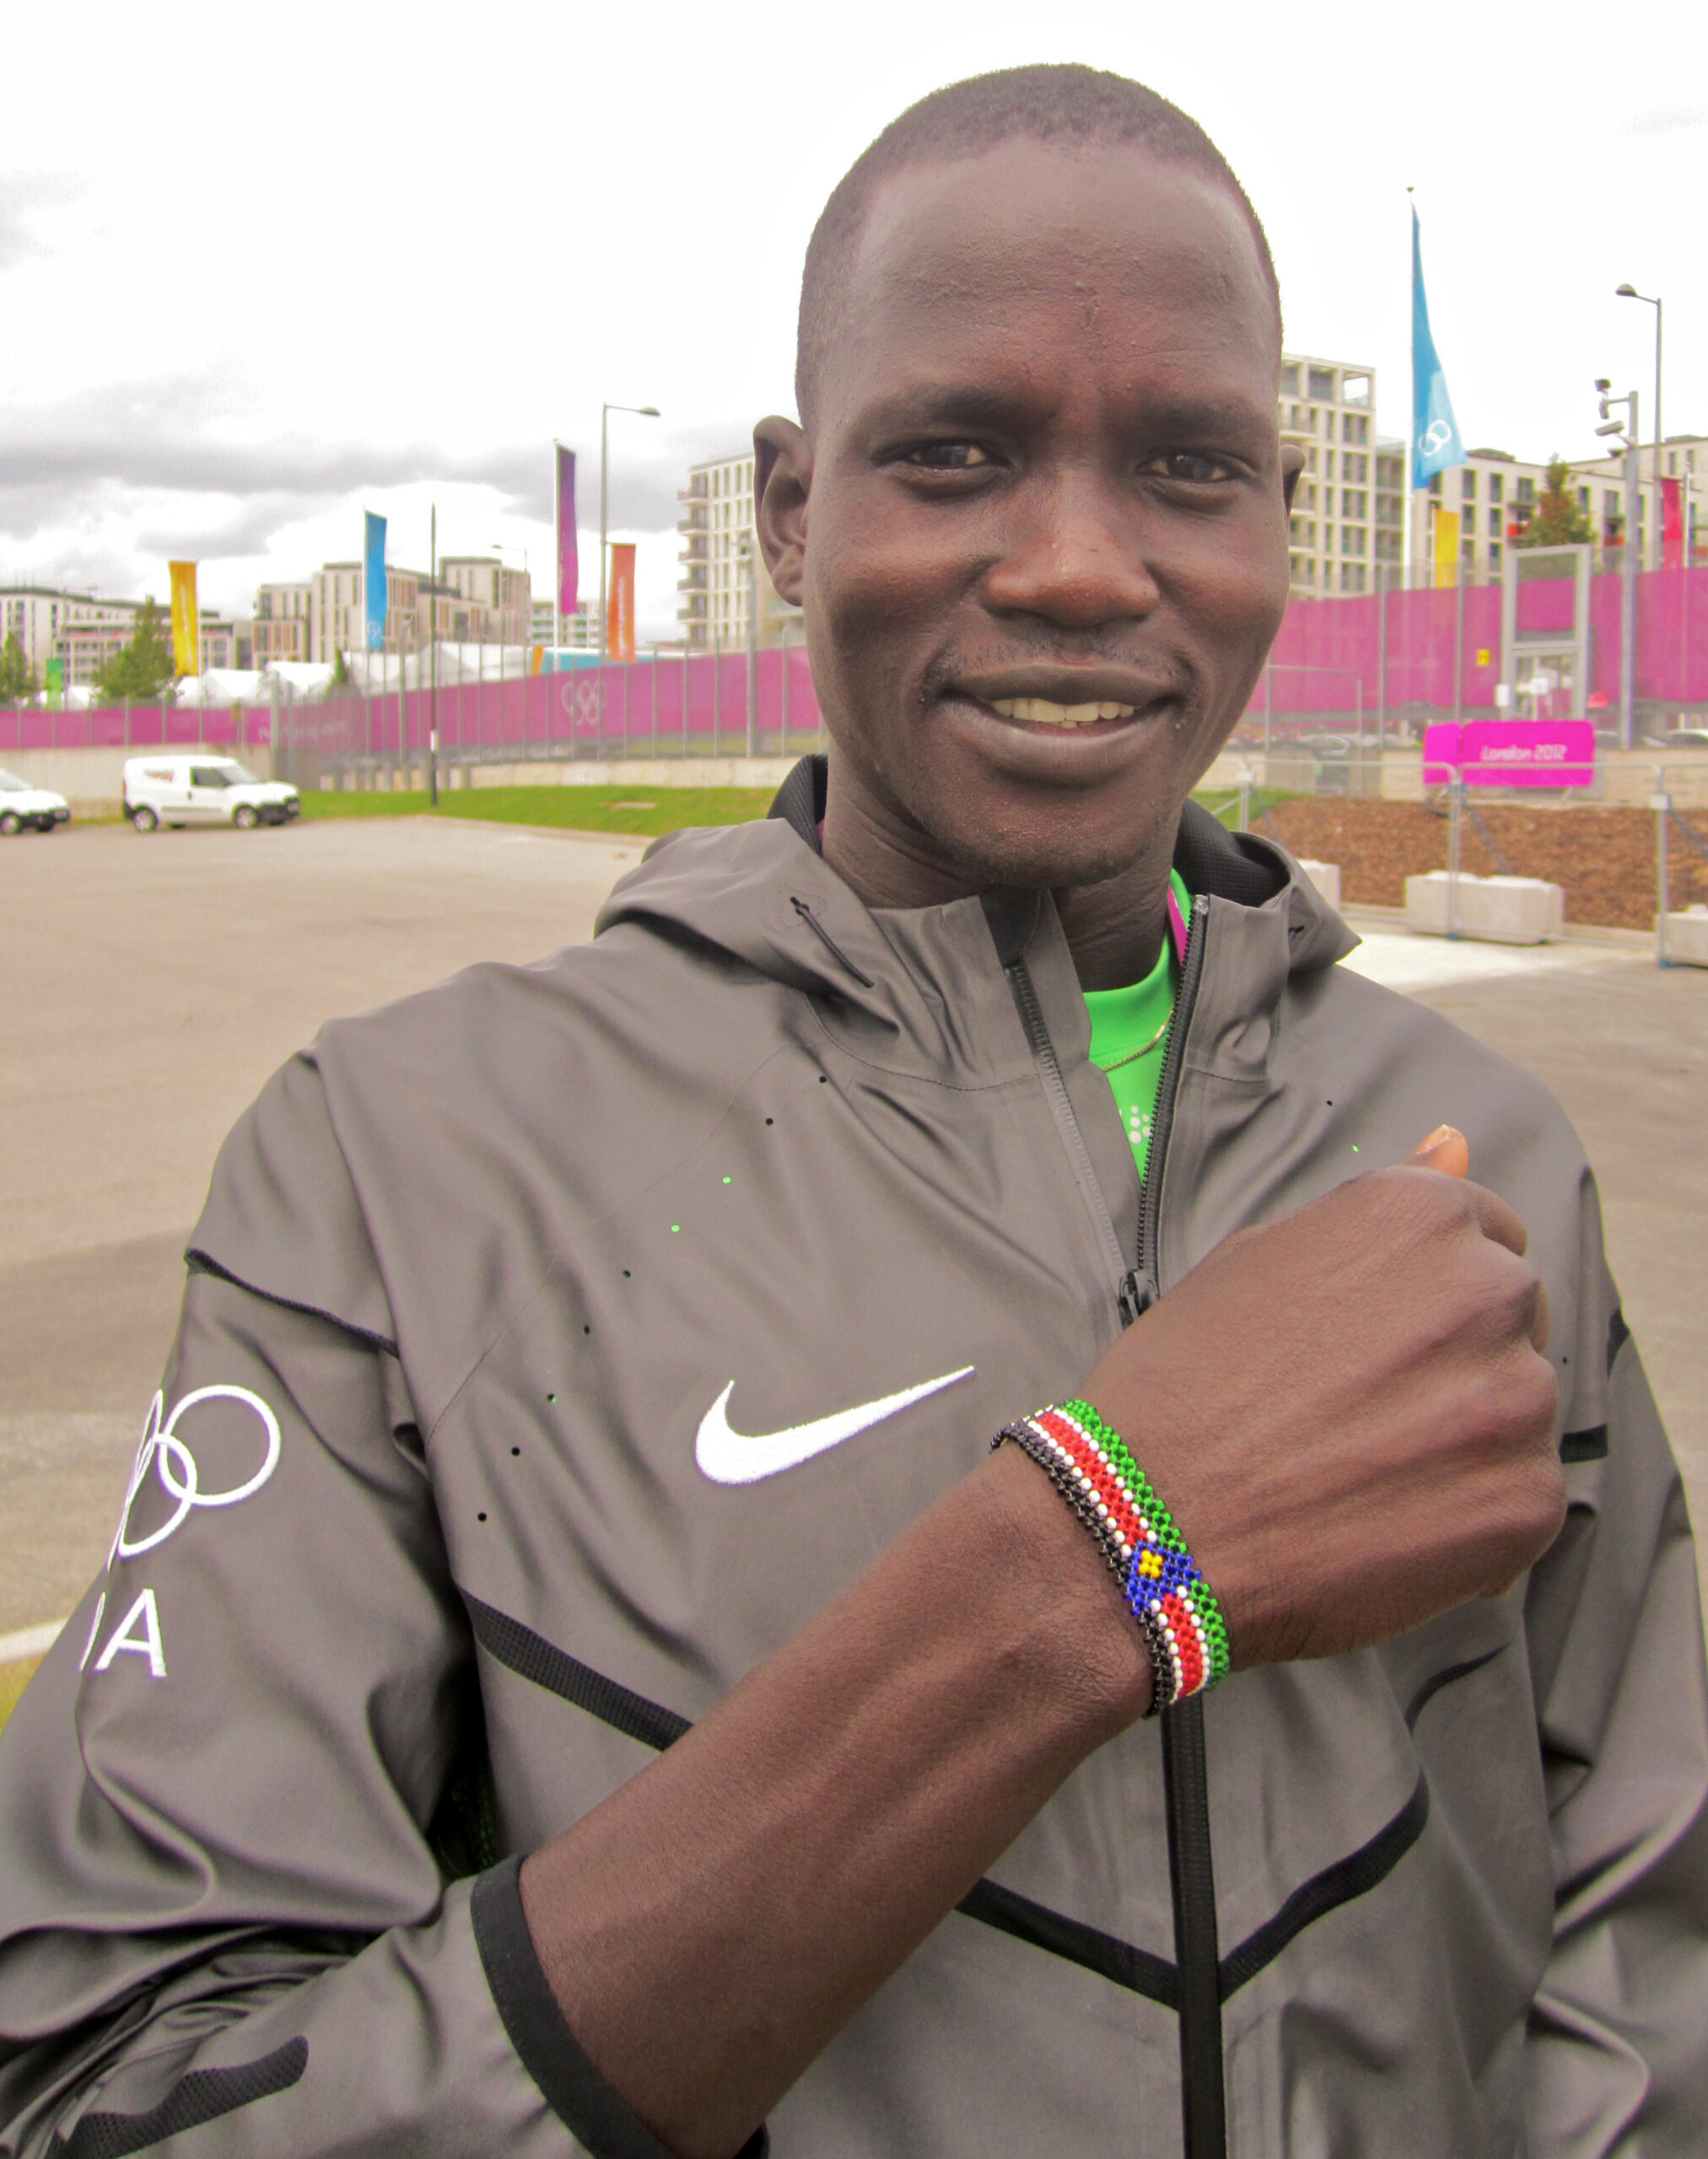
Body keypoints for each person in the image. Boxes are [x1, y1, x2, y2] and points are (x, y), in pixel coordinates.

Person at [2, 63, 1705, 2159]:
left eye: (1190, 464)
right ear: (793, 508)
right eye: (956, 451)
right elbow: (128, 2090)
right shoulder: (398, 1162)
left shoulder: (1485, 1149)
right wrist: (1086, 1561)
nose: (1081, 566)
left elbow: (1636, 1928)